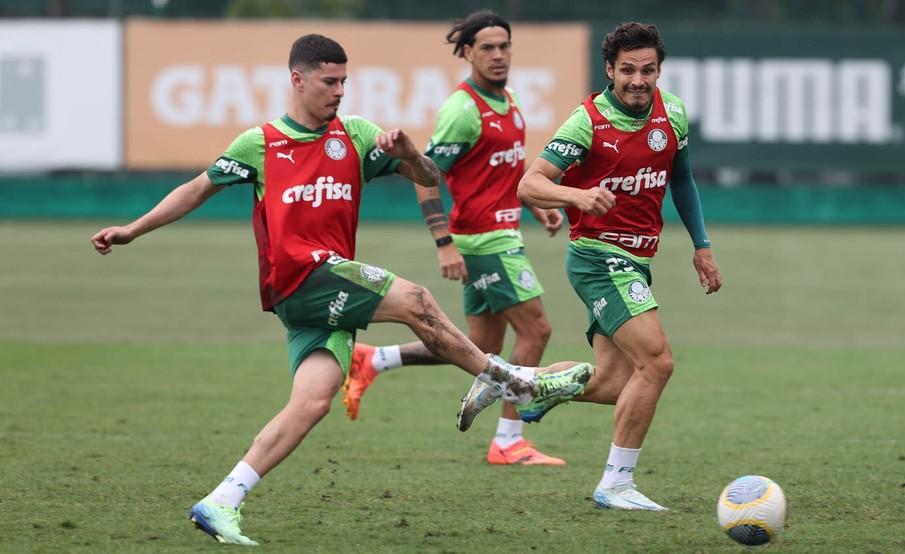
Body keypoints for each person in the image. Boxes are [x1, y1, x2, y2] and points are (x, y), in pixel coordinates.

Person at [90, 34, 593, 545]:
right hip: (301, 277)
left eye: (344, 82)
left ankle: (220, 501)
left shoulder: (356, 135)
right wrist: (133, 228)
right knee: (416, 300)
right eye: (329, 82)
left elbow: (428, 175)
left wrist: (409, 152)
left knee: (311, 403)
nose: (339, 91)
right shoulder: (261, 143)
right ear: (298, 79)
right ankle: (516, 384)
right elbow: (196, 189)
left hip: (319, 292)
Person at [510, 22, 724, 510]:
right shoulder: (587, 120)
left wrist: (702, 245)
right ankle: (616, 484)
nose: (638, 80)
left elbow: (683, 181)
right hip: (598, 257)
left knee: (613, 384)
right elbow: (530, 184)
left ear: (658, 71)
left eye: (648, 70)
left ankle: (518, 380)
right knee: (658, 361)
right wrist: (578, 194)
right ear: (610, 70)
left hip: (637, 260)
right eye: (627, 70)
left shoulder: (672, 113)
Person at [342, 10, 567, 466]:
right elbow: (426, 175)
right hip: (485, 242)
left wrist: (535, 203)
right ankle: (508, 441)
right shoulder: (462, 110)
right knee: (537, 329)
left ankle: (373, 360)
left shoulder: (510, 101)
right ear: (467, 53)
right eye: (487, 47)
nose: (499, 55)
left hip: (503, 232)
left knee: (477, 348)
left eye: (504, 46)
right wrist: (443, 242)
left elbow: (499, 170)